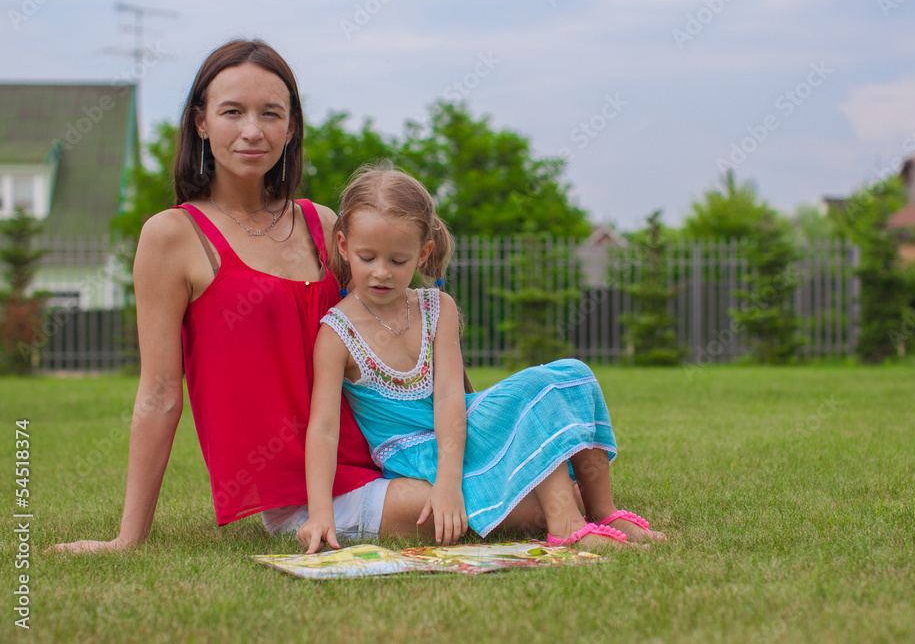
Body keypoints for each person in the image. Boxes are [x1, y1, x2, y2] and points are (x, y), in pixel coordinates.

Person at [52, 39, 547, 554]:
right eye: (232, 111)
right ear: (200, 121)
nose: (252, 130)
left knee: (528, 458)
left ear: (290, 128)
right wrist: (127, 539)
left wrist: (459, 437)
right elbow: (159, 394)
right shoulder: (172, 237)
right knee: (516, 509)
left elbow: (406, 330)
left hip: (394, 451)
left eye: (271, 113)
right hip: (307, 491)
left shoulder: (323, 225)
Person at [296, 164, 664, 554]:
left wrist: (450, 481)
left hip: (460, 432)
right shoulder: (337, 333)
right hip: (415, 453)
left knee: (572, 373)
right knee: (536, 395)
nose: (381, 273)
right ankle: (567, 525)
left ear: (423, 254)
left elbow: (450, 395)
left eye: (398, 260)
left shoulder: (438, 308)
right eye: (367, 257)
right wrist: (321, 514)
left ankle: (601, 510)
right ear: (343, 247)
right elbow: (322, 430)